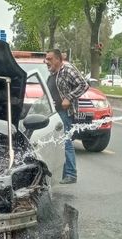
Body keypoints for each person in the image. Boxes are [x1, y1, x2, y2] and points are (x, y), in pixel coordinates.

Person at [44, 49, 89, 184]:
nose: (47, 61)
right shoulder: (53, 73)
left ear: (58, 59)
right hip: (54, 113)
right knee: (59, 142)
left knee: (66, 141)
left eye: (50, 59)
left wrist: (69, 98)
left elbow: (84, 85)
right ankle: (63, 173)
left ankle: (71, 174)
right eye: (46, 59)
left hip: (65, 113)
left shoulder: (67, 70)